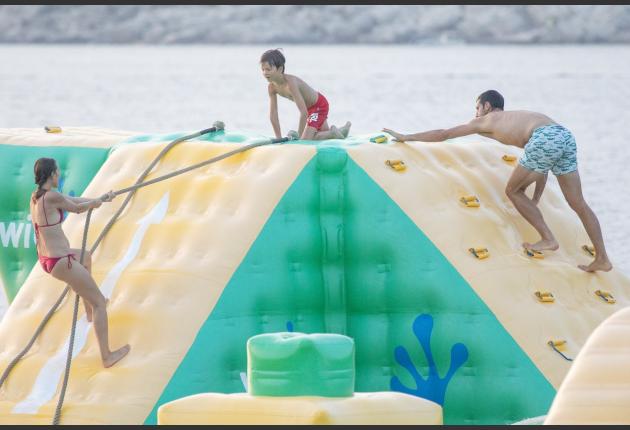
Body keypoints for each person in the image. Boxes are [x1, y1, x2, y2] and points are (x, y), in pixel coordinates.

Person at [382, 90, 612, 273]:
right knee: (578, 203)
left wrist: (407, 137)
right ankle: (602, 258)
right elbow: (543, 164)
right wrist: (535, 199)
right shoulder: (517, 118)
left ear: (487, 106)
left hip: (543, 138)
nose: (475, 113)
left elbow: (444, 134)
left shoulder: (487, 120)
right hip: (564, 135)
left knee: (512, 191)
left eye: (477, 107)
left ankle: (547, 238)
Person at [30, 158, 130, 367]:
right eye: (57, 172)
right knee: (100, 302)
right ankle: (107, 356)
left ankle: (90, 313)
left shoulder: (37, 197)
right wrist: (94, 204)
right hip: (60, 261)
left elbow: (73, 200)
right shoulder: (52, 196)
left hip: (50, 259)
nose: (59, 175)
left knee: (85, 257)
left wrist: (101, 199)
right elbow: (77, 208)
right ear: (52, 174)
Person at [260, 48, 351, 140]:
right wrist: (278, 138)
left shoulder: (290, 84)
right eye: (263, 69)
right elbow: (273, 115)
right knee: (322, 134)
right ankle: (341, 131)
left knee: (306, 139)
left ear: (280, 69)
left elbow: (303, 113)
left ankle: (332, 133)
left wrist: (300, 138)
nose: (265, 73)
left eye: (268, 69)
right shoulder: (272, 88)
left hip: (318, 105)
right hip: (310, 109)